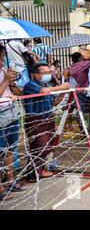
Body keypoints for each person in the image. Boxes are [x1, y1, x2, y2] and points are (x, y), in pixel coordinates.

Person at [22, 64, 69, 182]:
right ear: (35, 74)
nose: (48, 75)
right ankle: (33, 174)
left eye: (49, 72)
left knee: (47, 146)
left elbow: (54, 103)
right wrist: (61, 86)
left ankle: (39, 170)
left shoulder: (48, 85)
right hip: (35, 120)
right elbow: (43, 91)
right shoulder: (30, 85)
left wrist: (63, 92)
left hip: (48, 118)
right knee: (40, 147)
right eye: (45, 73)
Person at [0, 45, 27, 201]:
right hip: (1, 114)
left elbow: (18, 93)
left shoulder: (5, 72)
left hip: (11, 112)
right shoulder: (4, 75)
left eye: (3, 57)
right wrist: (5, 80)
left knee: (11, 148)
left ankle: (10, 180)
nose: (2, 60)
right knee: (0, 150)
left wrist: (12, 82)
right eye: (1, 58)